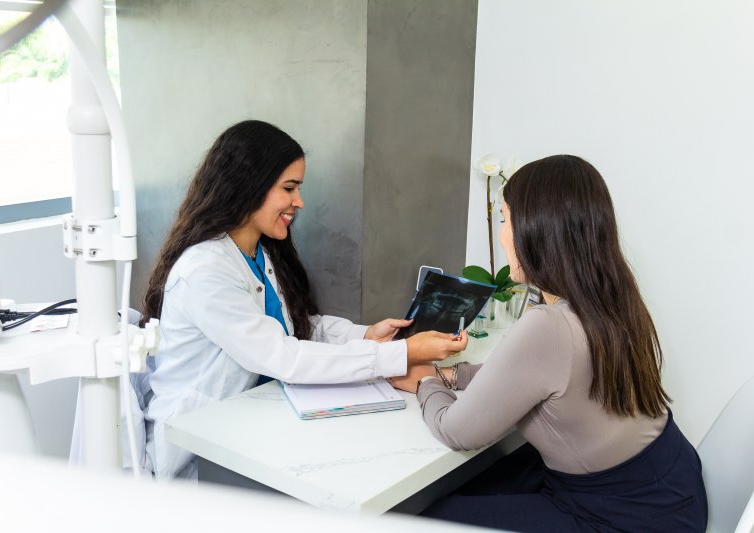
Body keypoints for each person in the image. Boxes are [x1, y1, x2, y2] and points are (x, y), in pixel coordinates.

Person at [133, 120, 467, 480]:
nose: (299, 202)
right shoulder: (206, 270)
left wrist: (365, 334)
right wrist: (402, 353)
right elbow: (283, 356)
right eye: (289, 188)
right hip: (200, 452)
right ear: (249, 185)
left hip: (257, 425)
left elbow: (294, 326)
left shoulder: (260, 252)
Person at [390, 155, 708, 532]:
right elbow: (521, 374)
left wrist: (426, 379)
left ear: (536, 230)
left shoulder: (550, 326)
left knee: (426, 519)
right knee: (472, 487)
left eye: (505, 220)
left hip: (627, 517)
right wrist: (450, 375)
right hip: (669, 484)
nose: (502, 233)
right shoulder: (612, 297)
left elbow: (457, 431)